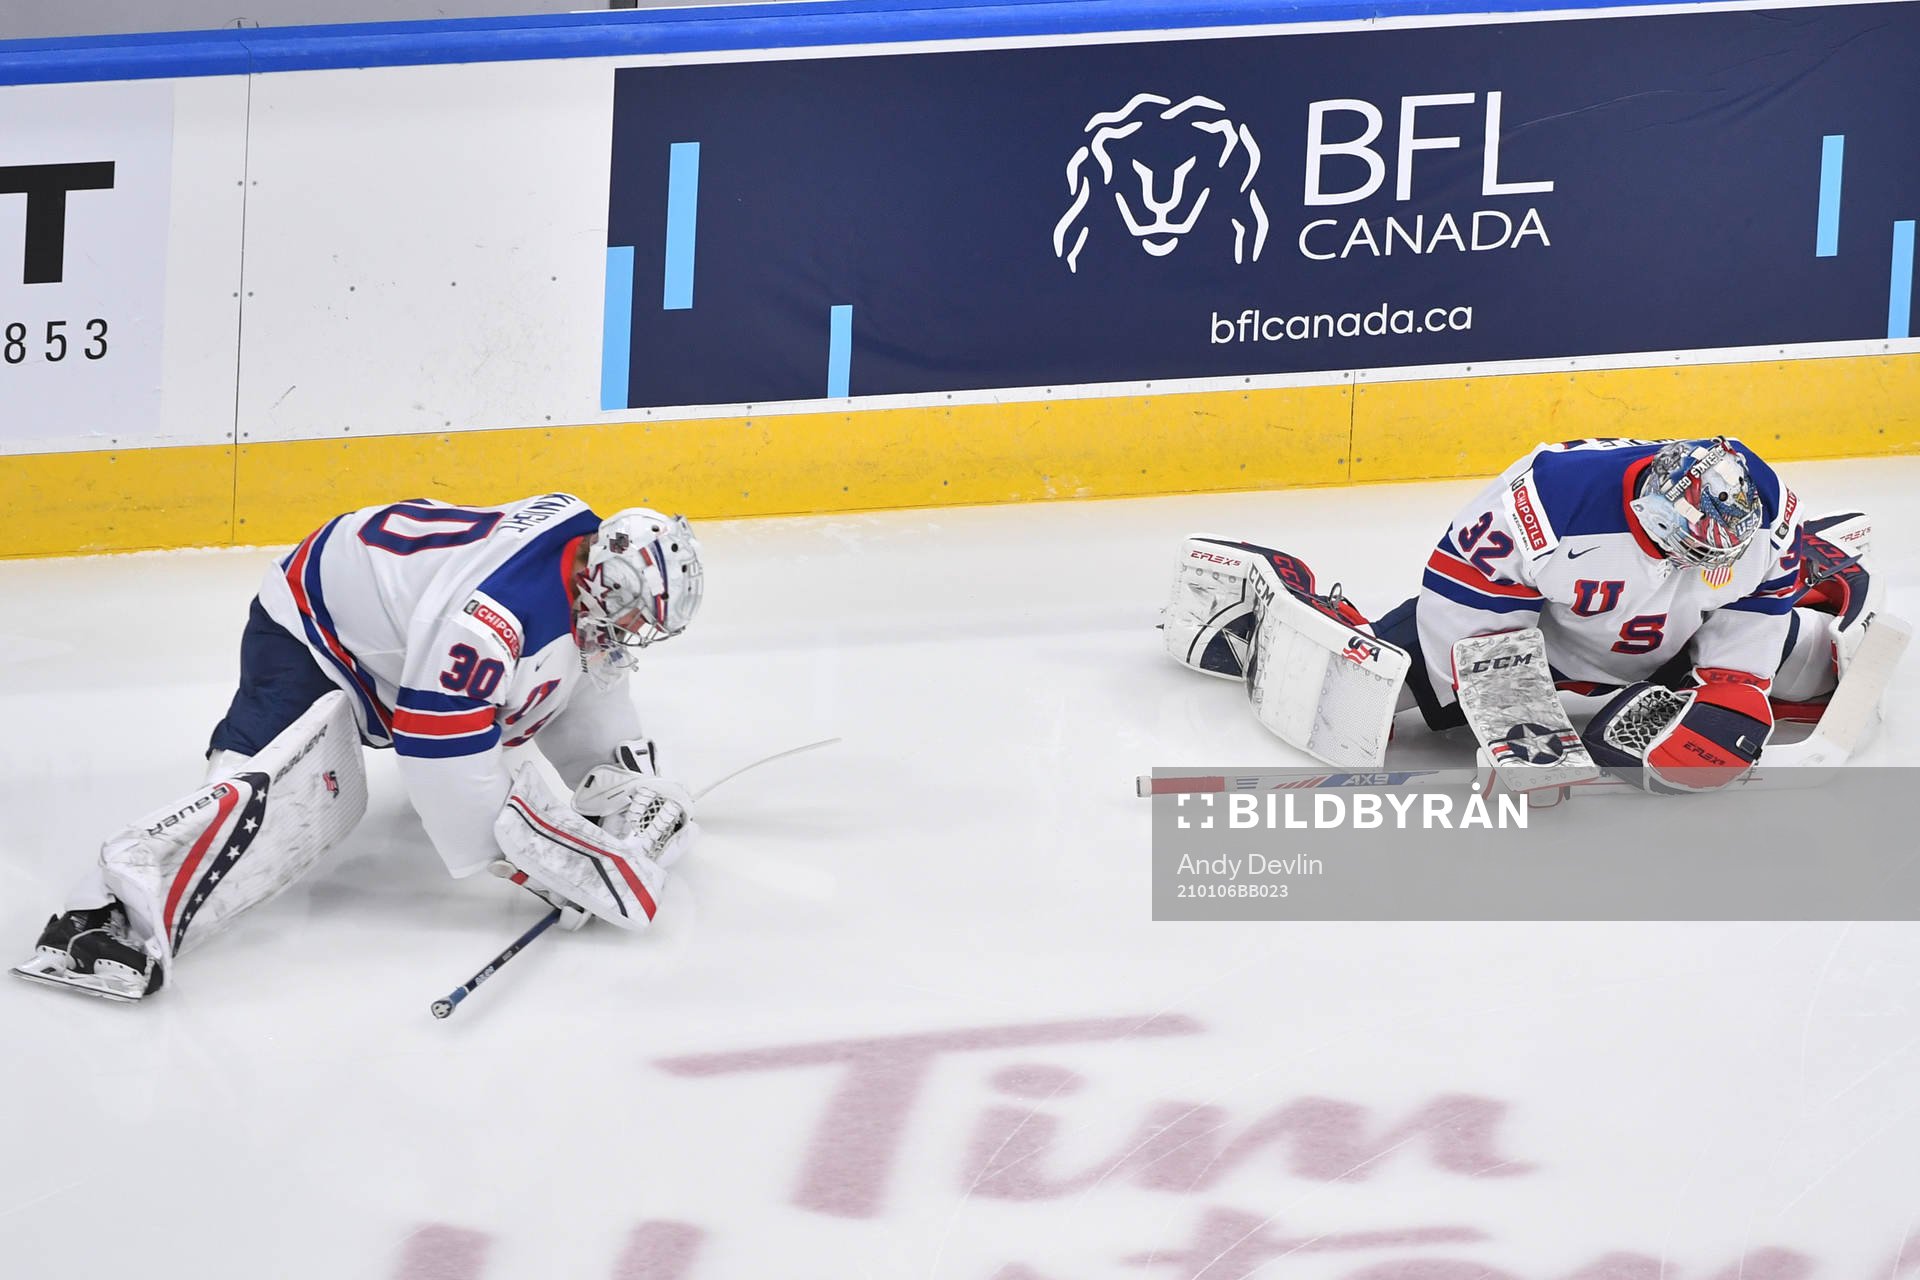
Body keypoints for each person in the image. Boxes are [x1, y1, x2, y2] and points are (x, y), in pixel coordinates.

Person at [15, 493, 706, 1002]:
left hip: (394, 619)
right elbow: (438, 760)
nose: (630, 631)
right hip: (312, 632)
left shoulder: (580, 548)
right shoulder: (488, 620)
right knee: (271, 794)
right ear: (604, 579)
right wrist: (552, 868)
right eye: (632, 613)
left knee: (552, 680)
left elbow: (591, 693)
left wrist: (627, 784)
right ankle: (101, 913)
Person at [1164, 437, 1877, 788]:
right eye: (1688, 549)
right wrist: (1525, 733)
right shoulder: (1546, 505)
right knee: (1353, 701)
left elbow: (1757, 589)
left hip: (1679, 637)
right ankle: (1298, 607)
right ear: (1651, 512)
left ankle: (1827, 572)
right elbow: (1469, 614)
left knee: (1826, 673)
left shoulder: (1765, 507)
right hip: (1541, 639)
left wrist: (1735, 681)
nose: (1704, 560)